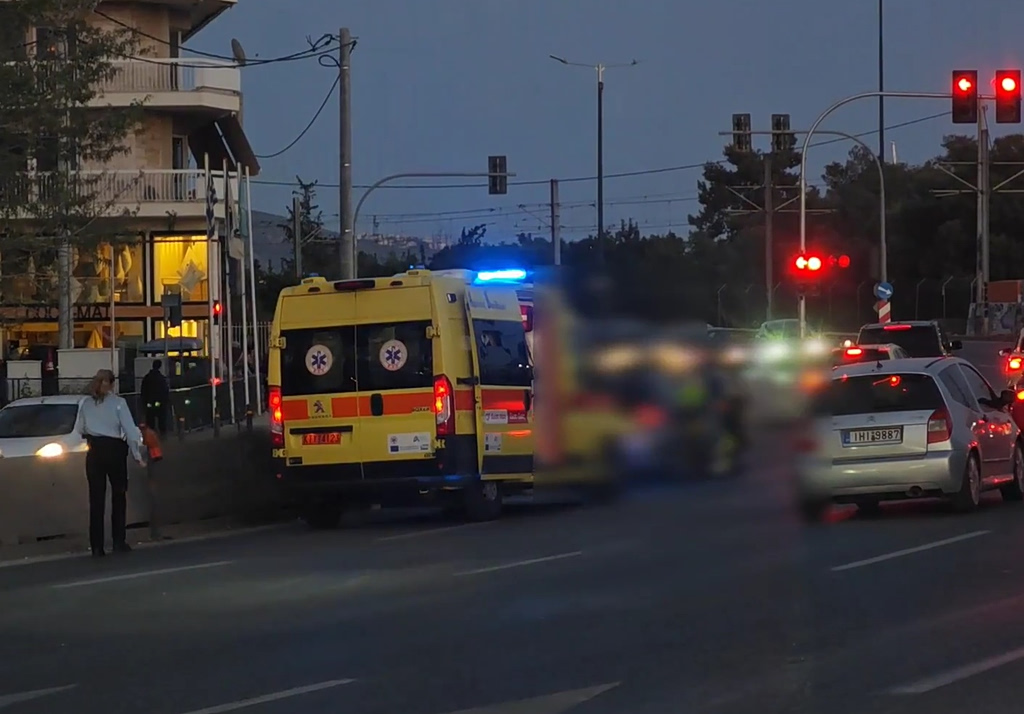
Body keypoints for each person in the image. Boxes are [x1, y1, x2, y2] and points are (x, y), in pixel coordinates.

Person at [78, 369, 145, 558]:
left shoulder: (86, 403)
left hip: (94, 451)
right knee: (119, 495)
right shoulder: (118, 403)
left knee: (96, 500)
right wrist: (137, 454)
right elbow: (130, 431)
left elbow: (80, 428)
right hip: (114, 450)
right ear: (112, 384)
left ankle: (97, 546)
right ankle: (118, 541)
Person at [141, 360, 170, 435]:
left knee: (150, 419)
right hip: (160, 401)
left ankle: (151, 434)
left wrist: (145, 401)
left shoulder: (147, 377)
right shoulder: (161, 378)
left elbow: (143, 390)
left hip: (149, 401)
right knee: (161, 418)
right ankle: (162, 434)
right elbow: (165, 391)